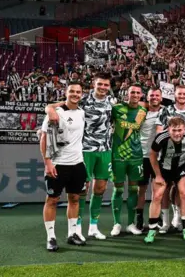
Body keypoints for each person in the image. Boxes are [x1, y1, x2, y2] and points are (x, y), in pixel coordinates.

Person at [45, 72, 115, 240]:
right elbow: (58, 105)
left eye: (106, 85)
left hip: (105, 150)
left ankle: (93, 226)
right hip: (84, 150)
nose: (103, 87)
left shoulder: (112, 102)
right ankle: (77, 229)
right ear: (94, 84)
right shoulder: (82, 99)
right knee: (81, 191)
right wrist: (49, 108)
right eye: (100, 84)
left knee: (100, 189)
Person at [40, 81, 87, 251]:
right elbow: (44, 139)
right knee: (52, 200)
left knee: (74, 199)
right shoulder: (55, 113)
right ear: (66, 93)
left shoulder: (82, 112)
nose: (75, 94)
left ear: (82, 94)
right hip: (58, 164)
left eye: (78, 91)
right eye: (72, 91)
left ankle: (72, 233)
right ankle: (51, 237)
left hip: (77, 163)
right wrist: (48, 162)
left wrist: (50, 106)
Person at [145, 117, 185, 243]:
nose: (177, 133)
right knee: (158, 196)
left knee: (184, 193)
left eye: (180, 130)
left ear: (184, 129)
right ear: (168, 129)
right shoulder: (161, 138)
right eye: (174, 130)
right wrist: (158, 176)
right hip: (164, 169)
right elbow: (152, 155)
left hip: (182, 168)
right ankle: (152, 230)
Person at [109, 84, 147, 237]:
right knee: (118, 189)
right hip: (118, 154)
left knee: (133, 190)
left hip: (136, 155)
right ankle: (116, 223)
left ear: (141, 95)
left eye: (138, 92)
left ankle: (130, 224)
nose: (135, 95)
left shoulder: (143, 111)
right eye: (133, 92)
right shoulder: (116, 109)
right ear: (127, 94)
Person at [136, 87, 164, 230]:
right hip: (143, 155)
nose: (154, 98)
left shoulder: (166, 111)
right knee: (141, 189)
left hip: (159, 157)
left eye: (157, 95)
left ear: (161, 97)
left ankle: (156, 217)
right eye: (151, 95)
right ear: (147, 97)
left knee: (157, 189)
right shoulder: (141, 112)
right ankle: (139, 217)